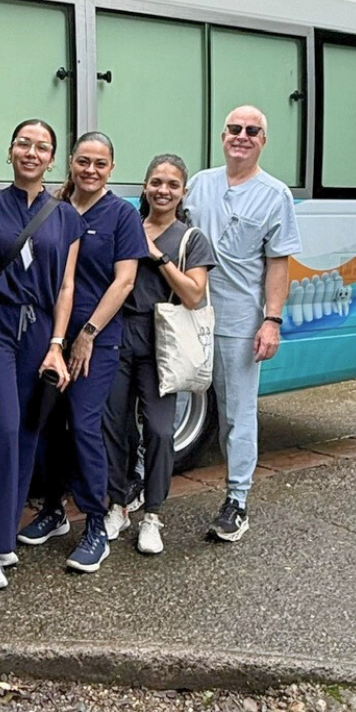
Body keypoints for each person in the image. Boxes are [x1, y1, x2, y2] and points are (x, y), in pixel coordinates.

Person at [18, 132, 146, 575]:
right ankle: (52, 510)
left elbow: (124, 281)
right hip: (49, 337)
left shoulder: (121, 215)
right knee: (48, 425)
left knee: (85, 426)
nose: (90, 170)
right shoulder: (55, 208)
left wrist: (89, 332)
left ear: (112, 168)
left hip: (96, 341)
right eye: (83, 161)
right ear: (70, 163)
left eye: (100, 163)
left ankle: (95, 521)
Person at [0, 120, 80, 590]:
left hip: (41, 331)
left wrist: (57, 344)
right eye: (23, 144)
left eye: (42, 147)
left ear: (52, 159)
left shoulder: (67, 215)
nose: (32, 152)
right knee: (3, 427)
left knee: (29, 431)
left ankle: (0, 532)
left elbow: (67, 285)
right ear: (11, 151)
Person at [185, 106, 301, 541]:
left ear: (263, 141)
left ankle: (237, 500)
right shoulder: (199, 184)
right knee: (173, 403)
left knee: (237, 414)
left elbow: (278, 264)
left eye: (253, 131)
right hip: (191, 316)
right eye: (235, 129)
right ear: (222, 135)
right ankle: (145, 486)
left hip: (239, 321)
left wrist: (271, 321)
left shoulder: (275, 195)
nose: (242, 136)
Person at [103, 154, 214, 555]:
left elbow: (193, 293)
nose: (162, 190)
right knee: (113, 426)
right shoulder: (126, 224)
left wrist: (157, 255)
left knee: (161, 431)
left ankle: (152, 514)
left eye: (172, 184)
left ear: (182, 192)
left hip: (162, 346)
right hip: (118, 338)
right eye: (156, 182)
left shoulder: (190, 238)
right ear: (144, 187)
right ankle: (117, 505)